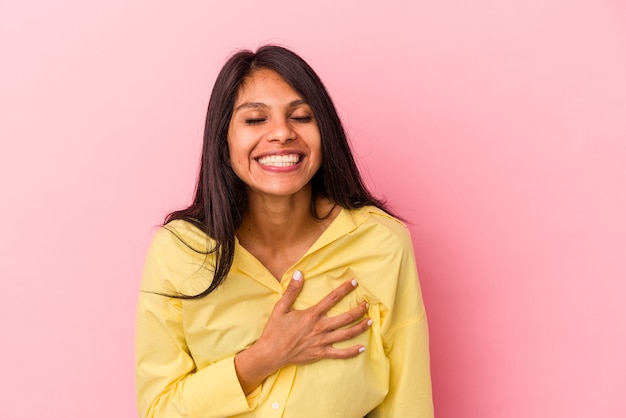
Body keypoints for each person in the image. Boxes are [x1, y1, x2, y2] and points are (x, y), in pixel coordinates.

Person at [135, 45, 433, 418]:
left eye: (302, 116)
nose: (281, 133)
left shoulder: (382, 242)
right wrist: (263, 357)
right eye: (255, 120)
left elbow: (408, 403)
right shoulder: (179, 250)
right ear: (223, 140)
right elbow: (158, 411)